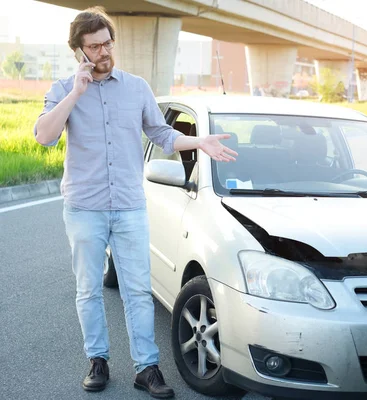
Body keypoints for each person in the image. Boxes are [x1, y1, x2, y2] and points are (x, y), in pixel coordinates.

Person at [33, 6, 237, 398]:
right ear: (79, 51)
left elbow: (161, 134)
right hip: (84, 208)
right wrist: (77, 91)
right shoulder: (63, 89)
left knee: (138, 291)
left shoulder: (137, 87)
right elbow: (44, 136)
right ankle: (98, 360)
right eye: (94, 46)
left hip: (128, 206)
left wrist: (197, 141)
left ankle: (146, 367)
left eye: (108, 42)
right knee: (89, 289)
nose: (104, 51)